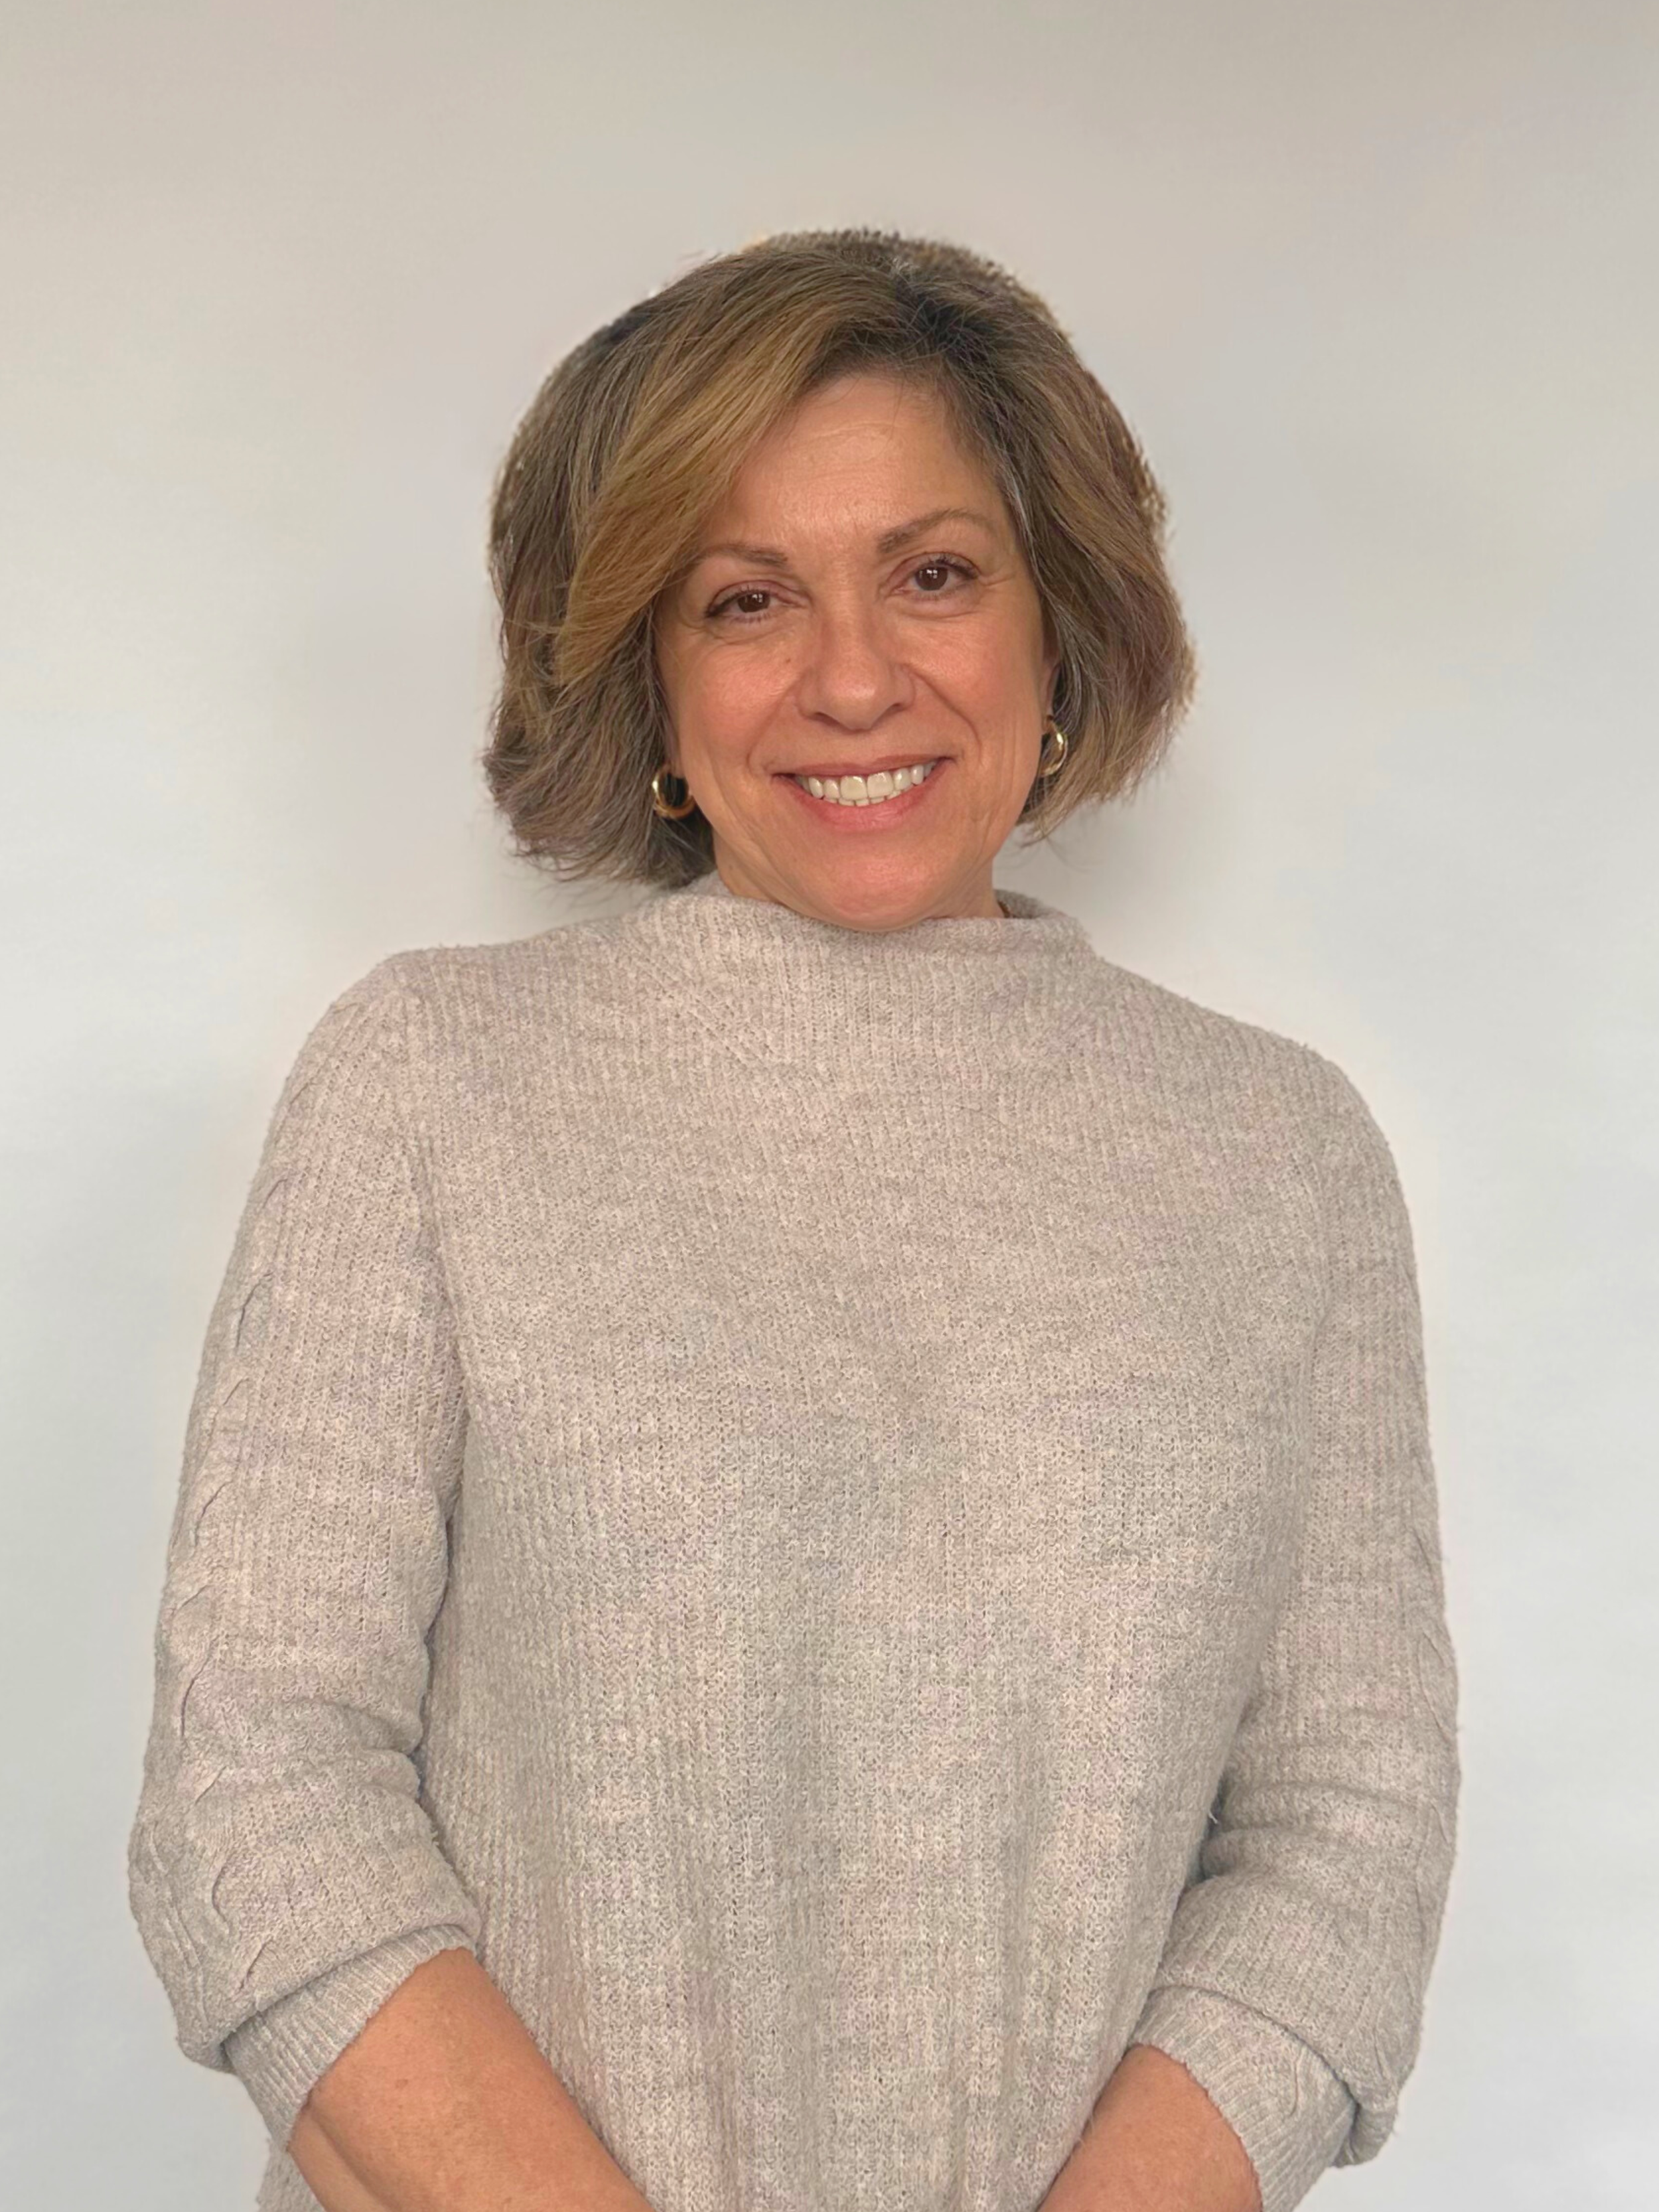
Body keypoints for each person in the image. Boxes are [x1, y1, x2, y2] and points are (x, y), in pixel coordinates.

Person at [126, 228, 1460, 2212]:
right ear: (648, 682)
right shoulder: (431, 1084)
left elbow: (1339, 1834)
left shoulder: (1283, 1155)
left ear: (1058, 626)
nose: (853, 677)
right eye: (745, 600)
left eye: (934, 574)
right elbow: (257, 1793)